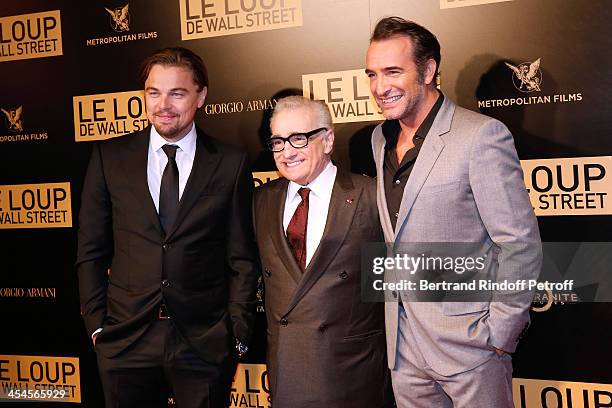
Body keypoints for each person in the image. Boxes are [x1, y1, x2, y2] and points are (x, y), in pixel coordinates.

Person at [365, 17, 542, 407]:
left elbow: (519, 244)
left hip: (472, 348)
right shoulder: (380, 139)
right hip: (404, 351)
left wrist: (499, 335)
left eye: (393, 71)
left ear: (428, 70)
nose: (380, 87)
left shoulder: (480, 136)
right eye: (372, 74)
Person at [76, 47, 259, 408]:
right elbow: (91, 251)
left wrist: (235, 329)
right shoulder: (109, 157)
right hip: (125, 340)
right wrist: (98, 326)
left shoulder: (230, 163)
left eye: (177, 93)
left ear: (201, 96)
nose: (163, 104)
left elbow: (242, 258)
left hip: (202, 341)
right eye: (153, 92)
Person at [253, 96, 387, 407]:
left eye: (298, 139)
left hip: (353, 374)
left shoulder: (370, 196)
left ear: (327, 140)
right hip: (288, 372)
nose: (287, 152)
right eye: (277, 142)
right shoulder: (260, 201)